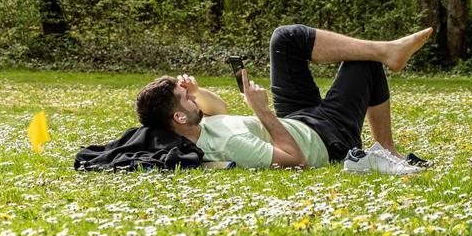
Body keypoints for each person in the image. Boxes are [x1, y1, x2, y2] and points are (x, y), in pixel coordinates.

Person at [135, 24, 433, 174]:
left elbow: (219, 109)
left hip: (295, 118)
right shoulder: (232, 144)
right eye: (185, 98)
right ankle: (386, 148)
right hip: (326, 136)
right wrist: (262, 112)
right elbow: (296, 161)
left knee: (284, 38)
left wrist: (196, 93)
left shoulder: (199, 126)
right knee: (364, 63)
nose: (192, 99)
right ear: (179, 117)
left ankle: (387, 50)